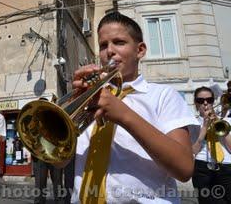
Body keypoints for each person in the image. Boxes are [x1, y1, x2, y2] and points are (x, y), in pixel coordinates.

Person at [57, 12, 199, 203]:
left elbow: (184, 168)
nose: (110, 51)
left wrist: (123, 114)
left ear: (139, 50)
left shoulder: (163, 96)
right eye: (103, 45)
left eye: (119, 42)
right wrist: (75, 102)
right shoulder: (90, 99)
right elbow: (59, 162)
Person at [191, 86, 231, 203]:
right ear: (196, 103)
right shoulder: (192, 123)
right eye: (200, 101)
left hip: (226, 167)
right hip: (202, 167)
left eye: (209, 100)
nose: (205, 103)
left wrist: (218, 124)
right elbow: (193, 151)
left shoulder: (226, 122)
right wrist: (204, 127)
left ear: (213, 101)